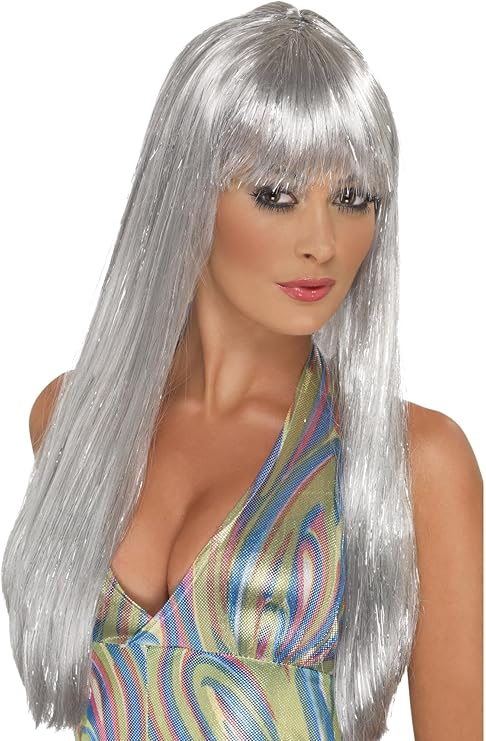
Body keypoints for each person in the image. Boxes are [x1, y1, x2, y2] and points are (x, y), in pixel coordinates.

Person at [1, 2, 482, 739]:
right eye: (276, 195)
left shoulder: (415, 461)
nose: (323, 241)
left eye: (353, 199)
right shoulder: (72, 423)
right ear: (186, 193)